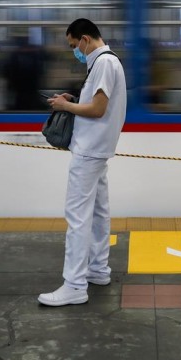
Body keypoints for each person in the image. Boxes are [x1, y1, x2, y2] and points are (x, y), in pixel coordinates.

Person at [38, 19, 127, 307]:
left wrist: (65, 106)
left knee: (77, 217)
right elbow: (97, 102)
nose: (74, 51)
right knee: (99, 213)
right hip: (98, 150)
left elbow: (98, 109)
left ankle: (74, 285)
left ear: (86, 39)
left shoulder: (102, 62)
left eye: (74, 46)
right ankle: (98, 269)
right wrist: (74, 98)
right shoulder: (109, 62)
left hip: (88, 150)